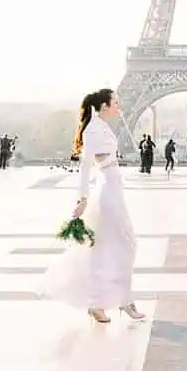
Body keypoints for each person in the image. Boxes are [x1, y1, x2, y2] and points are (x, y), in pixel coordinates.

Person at [41, 88, 142, 325]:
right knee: (124, 245)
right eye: (115, 103)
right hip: (108, 192)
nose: (119, 106)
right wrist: (83, 198)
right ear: (104, 106)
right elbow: (85, 165)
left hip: (114, 190)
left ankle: (107, 302)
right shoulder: (94, 130)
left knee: (113, 247)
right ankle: (118, 301)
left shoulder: (102, 127)